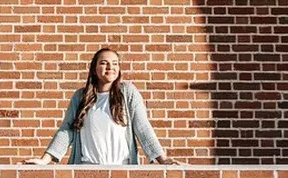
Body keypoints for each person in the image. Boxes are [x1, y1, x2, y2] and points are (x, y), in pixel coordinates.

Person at [24, 48, 175, 165]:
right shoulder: (80, 97)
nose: (110, 67)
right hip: (86, 169)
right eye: (104, 63)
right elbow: (67, 130)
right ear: (94, 69)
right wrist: (44, 160)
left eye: (115, 63)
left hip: (122, 169)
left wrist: (163, 159)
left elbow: (143, 127)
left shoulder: (128, 92)